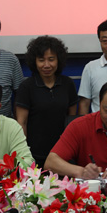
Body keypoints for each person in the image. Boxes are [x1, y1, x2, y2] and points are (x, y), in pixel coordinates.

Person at [15, 36, 78, 168]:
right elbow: (22, 122)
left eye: (51, 59)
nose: (46, 65)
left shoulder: (68, 84)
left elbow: (72, 121)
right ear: (34, 61)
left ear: (58, 60)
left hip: (62, 154)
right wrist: (24, 153)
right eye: (41, 60)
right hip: (34, 155)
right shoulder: (26, 86)